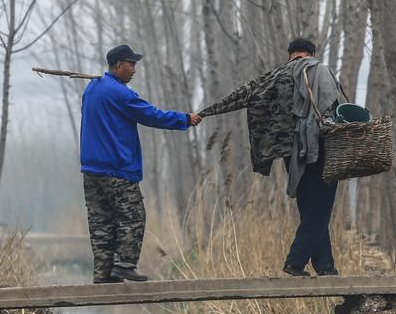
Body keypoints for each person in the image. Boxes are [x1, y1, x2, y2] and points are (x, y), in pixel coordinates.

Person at [198, 38, 344, 276]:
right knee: (321, 208)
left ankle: (325, 267)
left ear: (290, 55)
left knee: (310, 209)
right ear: (311, 53)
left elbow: (241, 96)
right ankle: (295, 263)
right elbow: (333, 106)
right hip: (318, 150)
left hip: (292, 156)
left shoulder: (274, 76)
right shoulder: (319, 70)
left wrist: (204, 113)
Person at [80, 44, 202, 284]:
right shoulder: (121, 93)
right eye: (131, 64)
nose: (134, 69)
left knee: (101, 222)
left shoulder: (92, 88)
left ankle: (103, 274)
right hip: (116, 169)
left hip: (91, 170)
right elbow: (152, 115)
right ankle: (124, 265)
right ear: (118, 65)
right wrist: (185, 119)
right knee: (133, 216)